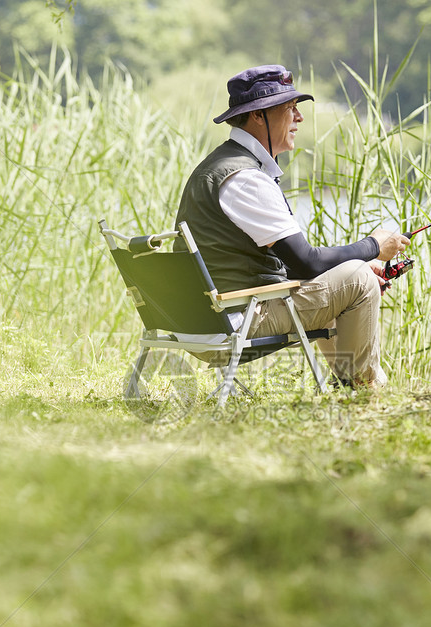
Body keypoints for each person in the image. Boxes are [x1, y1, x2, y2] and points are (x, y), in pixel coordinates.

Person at [175, 64, 410, 388]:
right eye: (290, 109)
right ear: (258, 116)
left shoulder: (223, 166)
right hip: (235, 322)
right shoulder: (245, 179)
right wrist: (374, 247)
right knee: (356, 281)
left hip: (210, 318)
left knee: (354, 275)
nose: (299, 118)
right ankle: (362, 389)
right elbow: (306, 261)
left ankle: (364, 383)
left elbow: (297, 263)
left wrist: (360, 262)